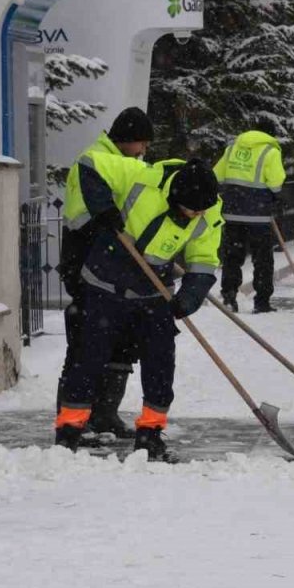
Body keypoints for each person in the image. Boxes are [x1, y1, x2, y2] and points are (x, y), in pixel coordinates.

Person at [56, 154, 223, 461]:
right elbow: (88, 164)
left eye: (202, 210)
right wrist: (103, 208)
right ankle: (69, 432)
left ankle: (150, 433)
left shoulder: (208, 211)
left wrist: (189, 298)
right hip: (104, 284)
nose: (196, 215)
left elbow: (204, 260)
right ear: (174, 198)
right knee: (87, 360)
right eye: (191, 209)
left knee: (160, 365)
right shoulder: (142, 177)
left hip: (151, 293)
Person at [56, 107, 152, 439]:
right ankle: (73, 417)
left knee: (121, 338)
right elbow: (95, 214)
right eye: (141, 143)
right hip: (86, 257)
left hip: (113, 260)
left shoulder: (122, 162)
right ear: (127, 140)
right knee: (87, 341)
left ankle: (105, 413)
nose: (143, 151)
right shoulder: (96, 160)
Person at [213, 119, 286, 313]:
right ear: (270, 135)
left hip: (232, 213)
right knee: (262, 259)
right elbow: (276, 182)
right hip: (258, 215)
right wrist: (275, 196)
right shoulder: (271, 151)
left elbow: (217, 175)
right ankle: (261, 301)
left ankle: (229, 297)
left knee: (232, 257)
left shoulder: (231, 149)